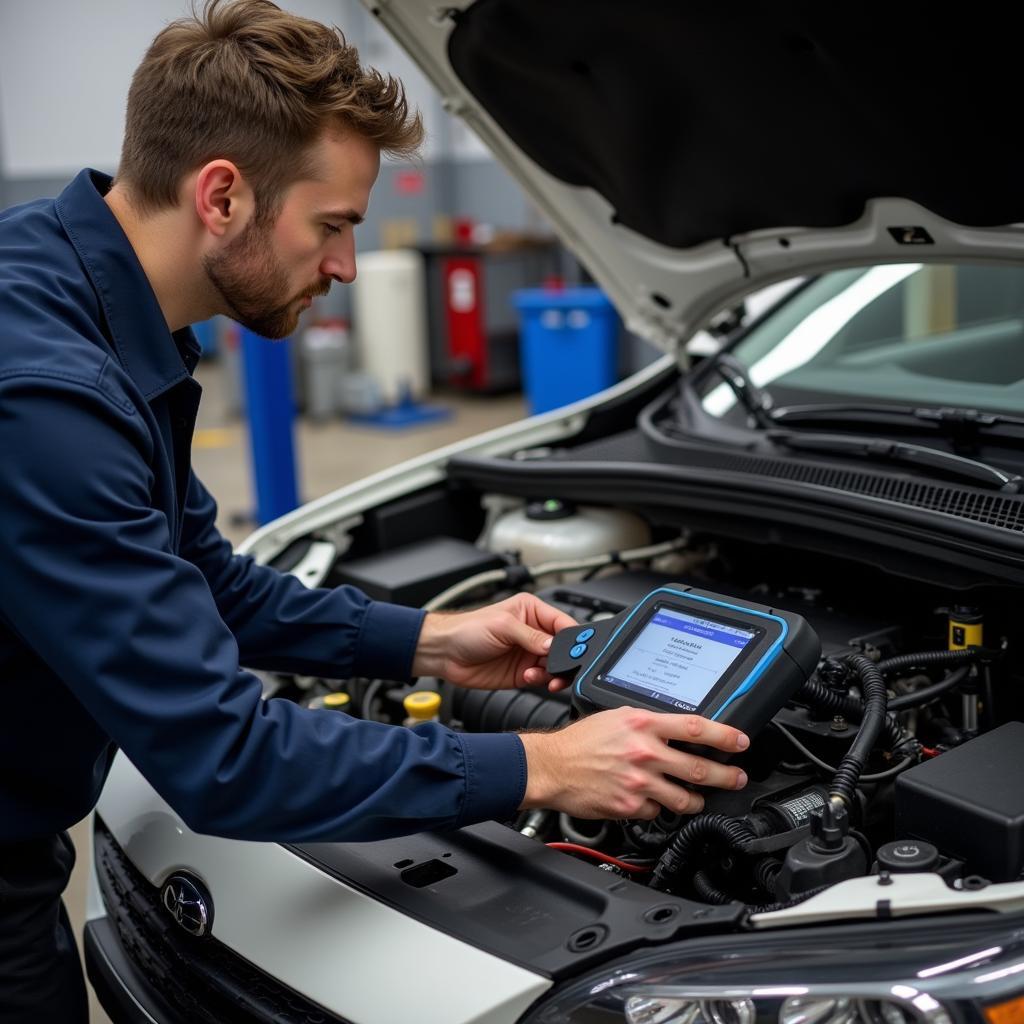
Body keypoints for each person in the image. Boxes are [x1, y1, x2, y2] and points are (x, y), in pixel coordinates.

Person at [0, 2, 749, 1020]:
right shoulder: (48, 399)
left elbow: (196, 575)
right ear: (221, 194)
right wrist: (542, 763)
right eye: (335, 226)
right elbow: (227, 761)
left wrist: (429, 642)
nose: (345, 267)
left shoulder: (61, 280)